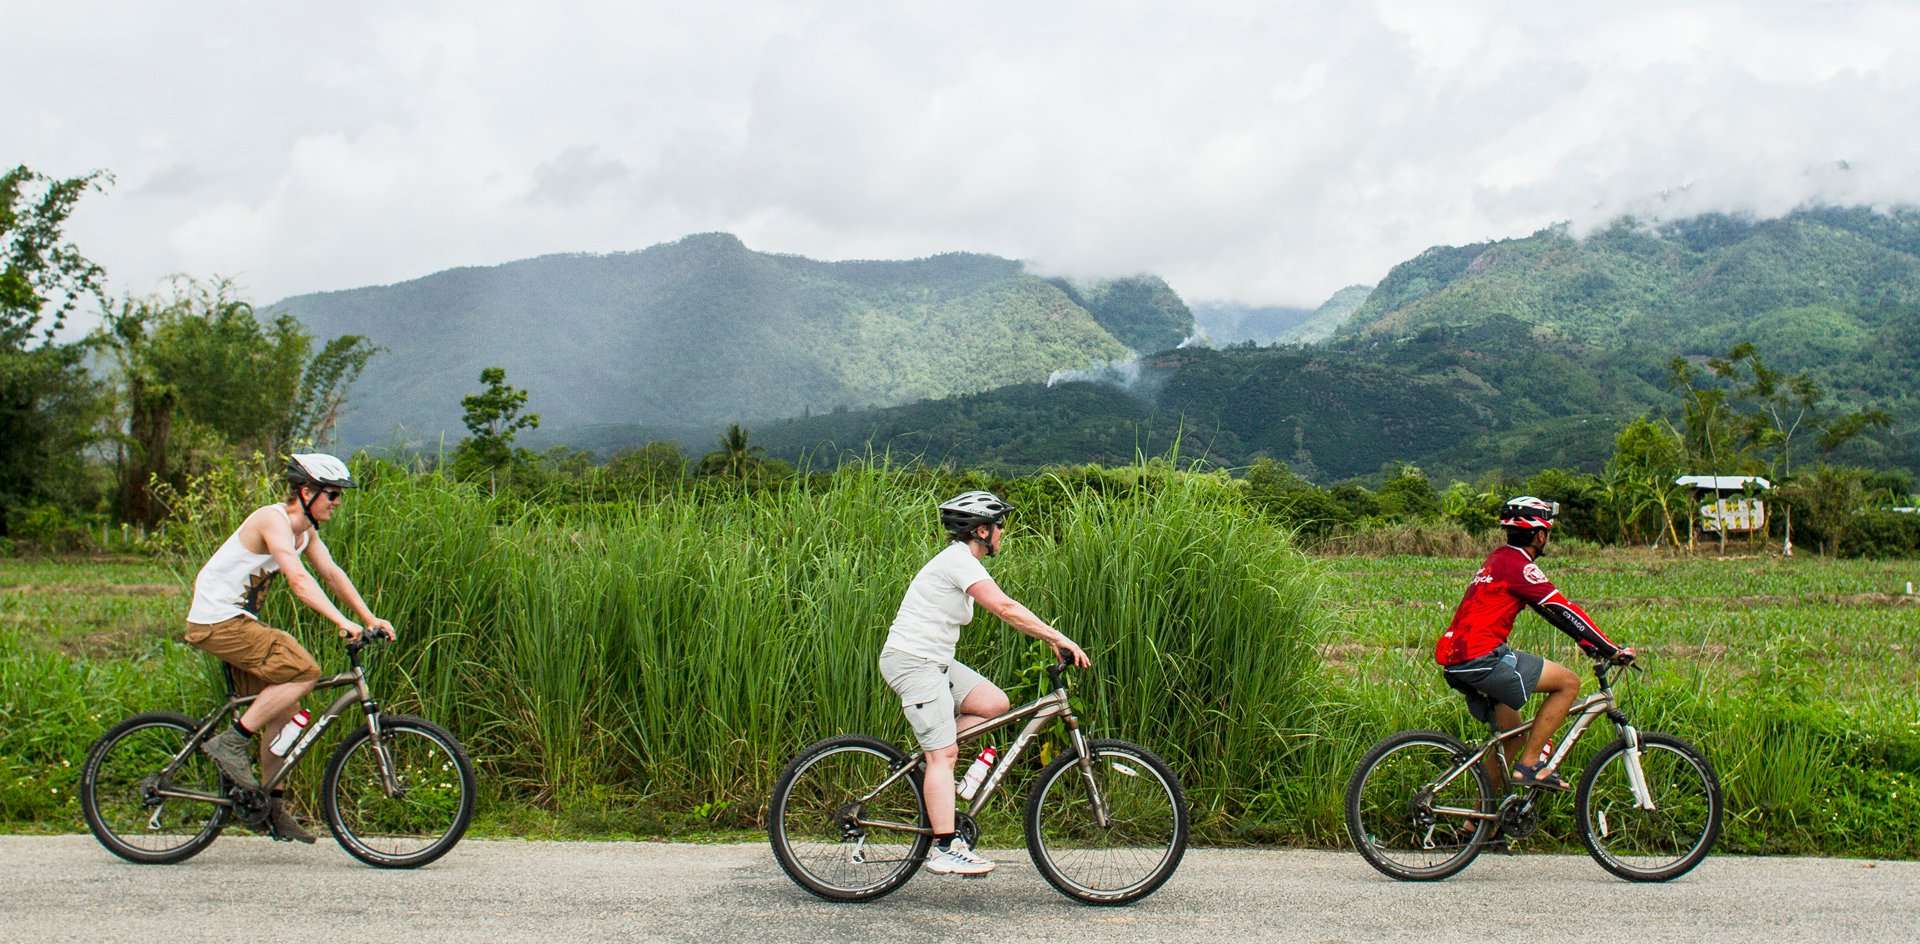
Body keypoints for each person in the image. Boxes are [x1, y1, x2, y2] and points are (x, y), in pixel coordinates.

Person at [183, 453, 395, 842]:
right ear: (306, 491)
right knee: (302, 668)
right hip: (216, 621)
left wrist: (368, 618)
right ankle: (230, 742)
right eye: (332, 494)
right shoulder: (272, 520)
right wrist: (341, 622)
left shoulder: (305, 534)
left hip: (237, 624)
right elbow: (298, 579)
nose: (337, 502)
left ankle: (270, 808)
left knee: (285, 711)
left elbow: (331, 573)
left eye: (339, 496)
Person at [878, 490, 1091, 876]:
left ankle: (933, 755)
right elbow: (1005, 608)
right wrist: (1057, 638)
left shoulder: (962, 561)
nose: (1002, 534)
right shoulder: (958, 561)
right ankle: (944, 847)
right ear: (981, 530)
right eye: (999, 527)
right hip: (913, 661)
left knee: (994, 704)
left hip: (936, 661)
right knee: (944, 756)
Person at [1433, 496, 1634, 791]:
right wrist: (1610, 649)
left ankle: (1478, 826)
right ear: (1540, 535)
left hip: (1458, 658)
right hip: (1481, 657)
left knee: (1512, 735)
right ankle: (1531, 766)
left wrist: (1585, 642)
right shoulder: (1520, 566)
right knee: (1568, 683)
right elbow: (1563, 608)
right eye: (1547, 532)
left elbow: (1549, 612)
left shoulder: (1499, 558)